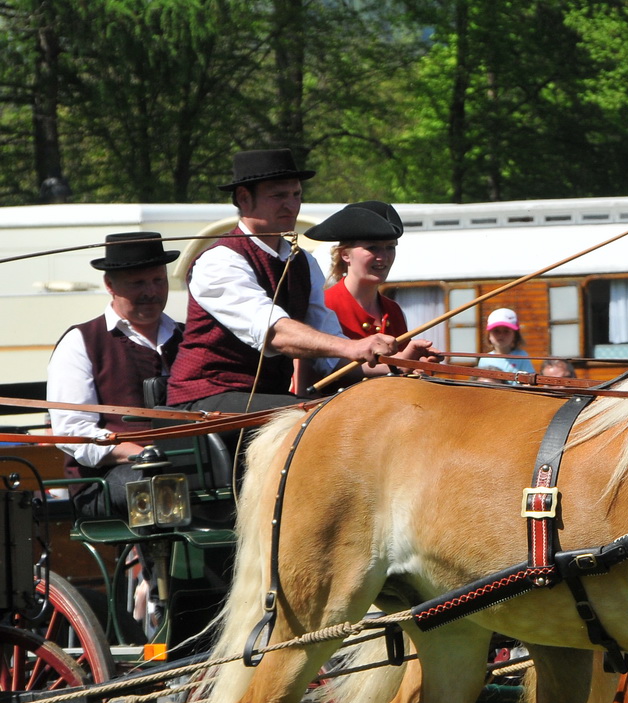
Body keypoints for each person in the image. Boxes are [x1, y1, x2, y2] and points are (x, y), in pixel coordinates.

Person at [166, 150, 434, 412]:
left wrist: (397, 364)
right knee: (317, 418)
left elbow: (333, 361)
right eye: (279, 196)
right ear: (244, 199)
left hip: (270, 400)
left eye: (296, 195)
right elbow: (275, 333)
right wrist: (352, 345)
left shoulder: (303, 262)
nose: (291, 205)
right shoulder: (219, 261)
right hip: (205, 400)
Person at [47, 231, 182, 486]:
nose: (151, 291)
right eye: (138, 283)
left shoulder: (188, 337)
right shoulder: (80, 342)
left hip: (190, 461)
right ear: (109, 284)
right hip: (108, 478)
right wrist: (138, 453)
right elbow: (72, 431)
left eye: (158, 280)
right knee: (157, 481)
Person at [314, 201, 407, 344]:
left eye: (390, 247)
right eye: (372, 248)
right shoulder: (325, 307)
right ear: (345, 254)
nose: (383, 257)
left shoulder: (394, 311)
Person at [478, 308, 534, 373]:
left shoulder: (522, 356)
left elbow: (529, 381)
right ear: (489, 335)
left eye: (506, 331)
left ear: (515, 335)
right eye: (496, 331)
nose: (501, 335)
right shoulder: (485, 359)